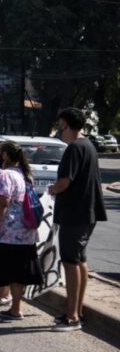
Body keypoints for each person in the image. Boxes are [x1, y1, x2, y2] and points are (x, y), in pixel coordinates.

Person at [48, 108, 107, 332]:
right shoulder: (88, 146)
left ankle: (72, 317)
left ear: (67, 124)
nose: (58, 130)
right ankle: (77, 311)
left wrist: (53, 189)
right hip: (86, 212)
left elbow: (65, 181)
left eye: (60, 124)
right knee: (79, 260)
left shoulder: (74, 148)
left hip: (75, 213)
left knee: (70, 262)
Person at [0, 141, 43, 322]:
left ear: (4, 155)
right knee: (17, 274)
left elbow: (1, 204)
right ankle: (15, 310)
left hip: (4, 234)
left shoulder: (4, 175)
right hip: (24, 235)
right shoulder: (24, 175)